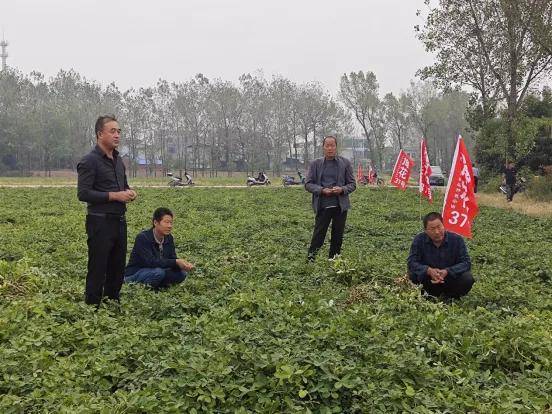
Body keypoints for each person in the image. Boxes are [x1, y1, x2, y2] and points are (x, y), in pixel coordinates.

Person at [77, 115, 137, 306]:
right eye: (112, 131)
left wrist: (129, 192)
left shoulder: (118, 161)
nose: (117, 135)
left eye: (119, 131)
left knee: (117, 266)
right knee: (98, 265)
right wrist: (114, 196)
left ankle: (112, 302)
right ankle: (92, 305)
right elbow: (84, 193)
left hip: (119, 220)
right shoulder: (89, 161)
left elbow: (124, 186)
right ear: (99, 134)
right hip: (99, 221)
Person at [305, 135, 356, 261]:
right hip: (323, 205)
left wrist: (342, 189)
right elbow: (308, 184)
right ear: (323, 147)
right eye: (327, 145)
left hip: (340, 206)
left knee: (337, 236)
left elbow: (352, 184)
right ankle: (310, 260)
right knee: (318, 235)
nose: (330, 148)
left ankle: (333, 261)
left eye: (332, 145)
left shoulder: (345, 163)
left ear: (336, 147)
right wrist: (321, 190)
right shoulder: (315, 164)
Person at [407, 212, 474, 301]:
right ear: (426, 230)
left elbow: (466, 263)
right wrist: (428, 270)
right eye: (432, 229)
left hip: (450, 280)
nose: (437, 232)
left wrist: (448, 271)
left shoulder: (457, 240)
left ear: (443, 225)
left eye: (439, 227)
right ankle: (427, 296)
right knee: (412, 275)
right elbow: (411, 262)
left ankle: (450, 297)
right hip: (428, 281)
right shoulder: (419, 240)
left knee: (467, 278)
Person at [125, 207, 193, 288]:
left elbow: (172, 258)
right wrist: (175, 262)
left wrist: (182, 265)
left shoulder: (169, 238)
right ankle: (138, 285)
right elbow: (150, 262)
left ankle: (157, 284)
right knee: (158, 273)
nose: (169, 226)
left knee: (181, 274)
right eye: (166, 222)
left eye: (171, 223)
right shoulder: (143, 237)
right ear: (155, 222)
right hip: (137, 272)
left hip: (157, 270)